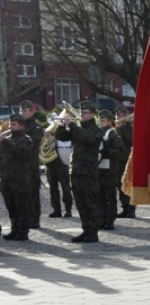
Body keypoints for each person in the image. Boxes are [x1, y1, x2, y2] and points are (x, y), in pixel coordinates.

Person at [55, 101, 104, 243]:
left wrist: (74, 125)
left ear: (93, 114)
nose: (82, 114)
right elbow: (61, 136)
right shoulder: (78, 129)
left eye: (86, 112)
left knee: (91, 203)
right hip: (75, 170)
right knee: (80, 203)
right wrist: (63, 124)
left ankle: (93, 232)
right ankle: (85, 230)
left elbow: (87, 138)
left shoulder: (96, 130)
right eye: (81, 112)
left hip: (88, 171)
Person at [0, 114, 36, 241]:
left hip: (20, 179)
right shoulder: (8, 139)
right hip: (6, 179)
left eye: (14, 124)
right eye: (10, 124)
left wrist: (4, 141)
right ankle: (14, 229)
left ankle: (23, 231)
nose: (10, 127)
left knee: (22, 206)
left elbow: (21, 154)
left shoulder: (26, 139)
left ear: (21, 126)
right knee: (11, 207)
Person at [97, 109, 127, 230]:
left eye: (103, 120)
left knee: (109, 196)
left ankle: (110, 220)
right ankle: (102, 218)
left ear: (110, 121)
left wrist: (107, 152)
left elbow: (121, 152)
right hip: (99, 168)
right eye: (100, 120)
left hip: (110, 169)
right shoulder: (98, 133)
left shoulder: (113, 134)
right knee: (100, 196)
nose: (101, 122)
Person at [41, 108, 73, 218]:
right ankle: (56, 209)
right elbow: (43, 148)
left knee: (66, 188)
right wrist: (47, 138)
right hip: (50, 164)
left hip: (62, 164)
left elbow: (66, 143)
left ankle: (68, 209)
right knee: (53, 189)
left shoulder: (65, 130)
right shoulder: (48, 131)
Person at [18, 101, 43, 228]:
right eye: (21, 110)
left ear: (32, 112)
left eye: (25, 110)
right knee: (20, 194)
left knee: (33, 193)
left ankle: (34, 218)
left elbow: (31, 144)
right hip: (18, 167)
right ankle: (23, 218)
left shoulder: (36, 128)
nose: (22, 112)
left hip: (31, 165)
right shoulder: (16, 127)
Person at [115, 105, 135, 218]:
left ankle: (131, 209)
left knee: (128, 184)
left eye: (121, 115)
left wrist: (121, 128)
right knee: (120, 185)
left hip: (127, 158)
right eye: (117, 115)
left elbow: (131, 139)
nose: (119, 117)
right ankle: (124, 207)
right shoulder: (116, 126)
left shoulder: (129, 126)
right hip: (118, 159)